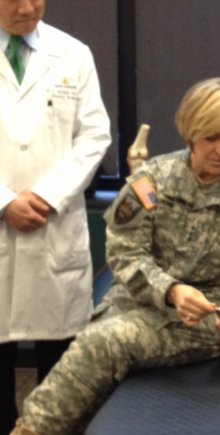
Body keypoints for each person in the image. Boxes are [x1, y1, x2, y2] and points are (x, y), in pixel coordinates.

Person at [11, 77, 220, 435]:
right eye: (212, 138)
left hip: (205, 319)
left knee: (104, 344)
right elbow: (126, 251)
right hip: (140, 299)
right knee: (94, 356)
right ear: (191, 132)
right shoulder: (153, 180)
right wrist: (171, 291)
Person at [0, 1, 111, 433]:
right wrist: (5, 201)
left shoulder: (73, 53)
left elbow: (95, 135)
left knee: (60, 373)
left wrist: (46, 196)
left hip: (54, 226)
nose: (28, 8)